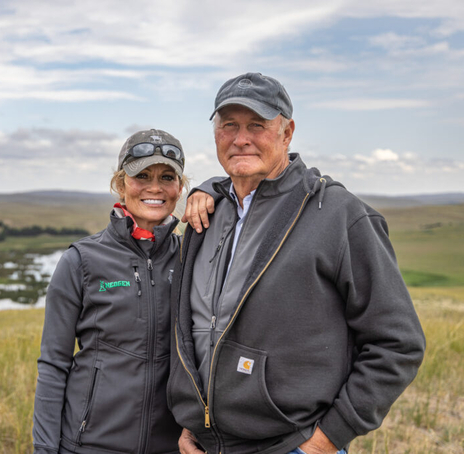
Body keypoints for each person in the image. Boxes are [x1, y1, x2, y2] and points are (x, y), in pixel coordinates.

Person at [168, 73, 426, 454]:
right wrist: (192, 419)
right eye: (229, 126)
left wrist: (326, 440)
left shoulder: (340, 216)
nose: (241, 138)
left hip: (292, 446)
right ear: (216, 134)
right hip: (205, 444)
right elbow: (194, 329)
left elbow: (398, 343)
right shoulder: (205, 215)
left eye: (257, 125)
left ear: (287, 133)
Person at [32, 129, 214, 453]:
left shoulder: (190, 258)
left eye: (167, 177)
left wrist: (214, 189)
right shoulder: (80, 261)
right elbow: (53, 365)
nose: (155, 187)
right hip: (89, 445)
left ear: (180, 188)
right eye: (141, 175)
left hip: (172, 447)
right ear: (120, 183)